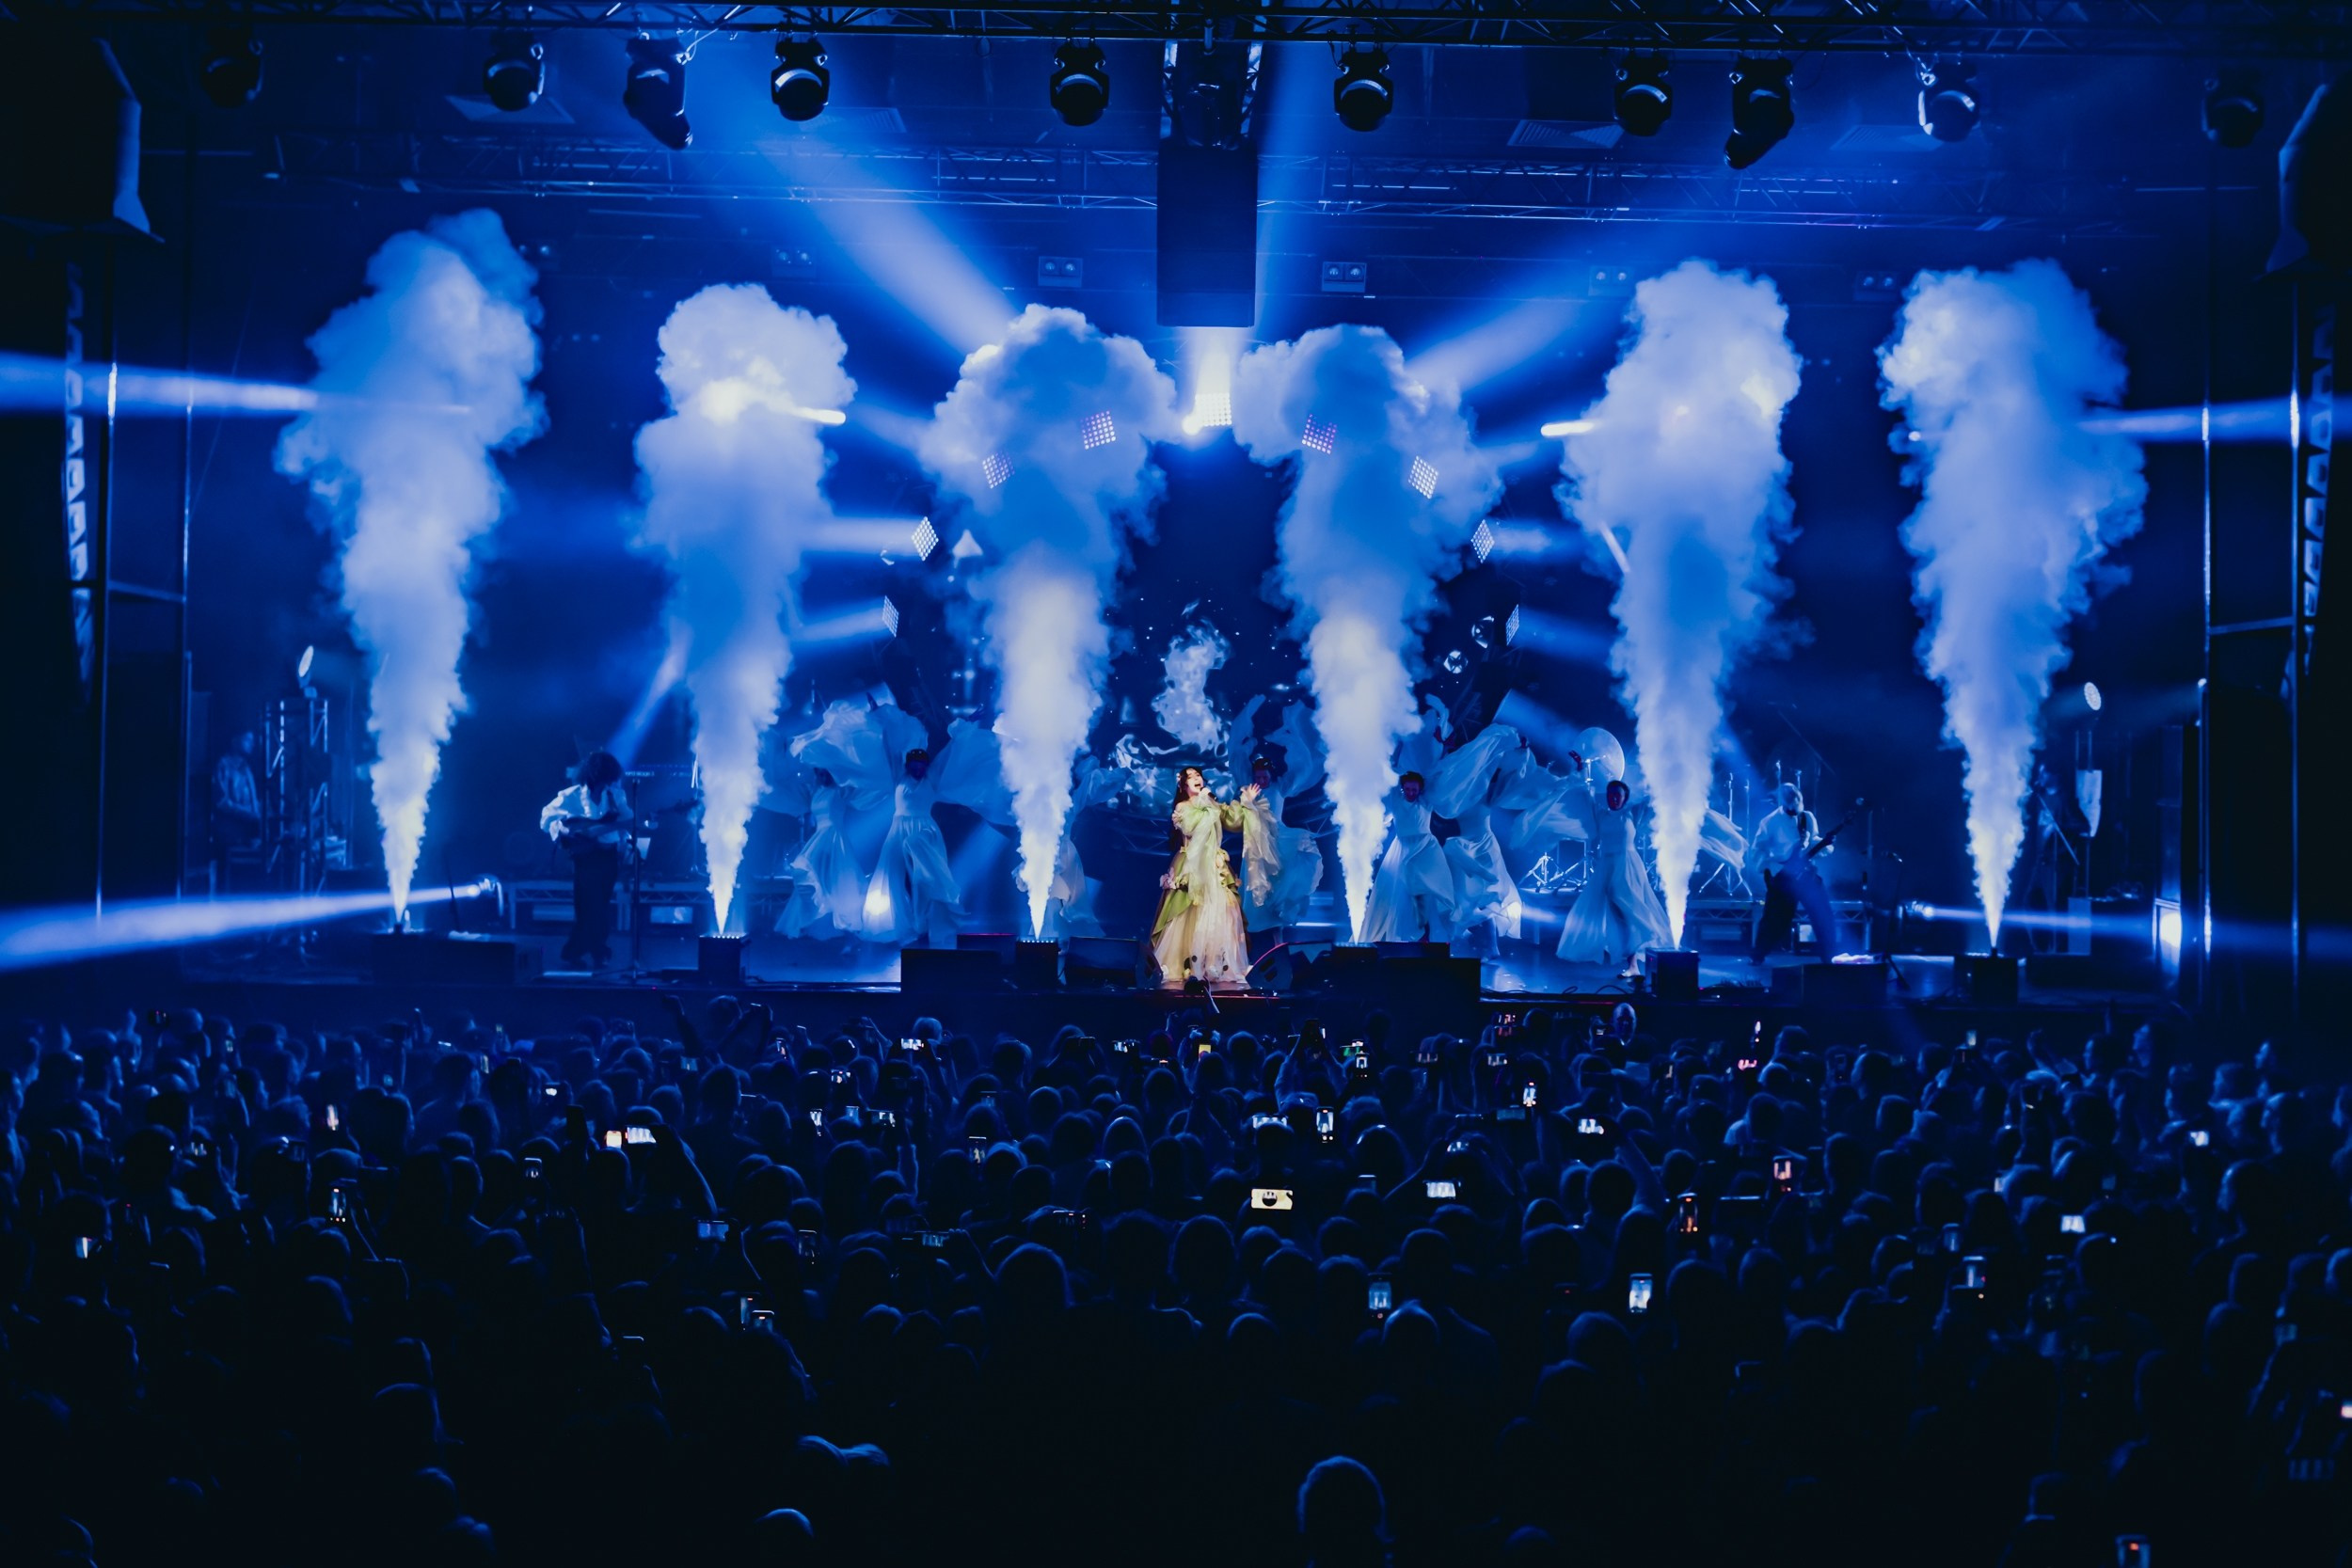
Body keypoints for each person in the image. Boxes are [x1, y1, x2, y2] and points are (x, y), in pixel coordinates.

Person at [1555, 770, 1673, 974]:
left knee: (1626, 905)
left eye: (1618, 795)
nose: (1614, 798)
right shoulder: (1600, 814)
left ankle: (1644, 938)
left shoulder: (1632, 814)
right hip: (1607, 867)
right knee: (1618, 916)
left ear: (1625, 798)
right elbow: (1584, 795)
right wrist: (1581, 768)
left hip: (1628, 866)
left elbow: (1652, 797)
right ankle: (1632, 963)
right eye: (1611, 795)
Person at [1151, 765, 1254, 988]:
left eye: (1199, 775)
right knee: (1188, 915)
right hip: (1191, 866)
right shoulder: (1183, 807)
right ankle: (1188, 966)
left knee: (1225, 912)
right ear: (1183, 785)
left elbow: (1234, 822)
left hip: (1215, 867)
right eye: (1191, 777)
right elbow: (1190, 827)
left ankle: (1216, 964)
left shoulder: (1212, 803)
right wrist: (1206, 805)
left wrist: (1246, 802)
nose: (1197, 779)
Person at [863, 747, 964, 948]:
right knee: (891, 874)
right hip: (898, 828)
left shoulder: (932, 780)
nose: (918, 771)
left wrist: (959, 733)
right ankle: (898, 923)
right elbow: (890, 751)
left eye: (921, 767)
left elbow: (946, 757)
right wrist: (884, 720)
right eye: (914, 767)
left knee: (922, 877)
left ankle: (923, 923)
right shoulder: (898, 777)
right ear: (907, 766)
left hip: (924, 830)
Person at [539, 750, 631, 970]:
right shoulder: (570, 796)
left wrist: (630, 836)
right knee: (588, 906)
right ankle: (594, 952)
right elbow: (545, 819)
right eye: (605, 779)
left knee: (599, 904)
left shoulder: (616, 796)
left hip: (608, 855)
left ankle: (577, 951)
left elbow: (628, 821)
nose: (608, 785)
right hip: (585, 856)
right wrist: (565, 831)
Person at [1747, 781, 1841, 962]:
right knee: (1776, 919)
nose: (1795, 806)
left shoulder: (1807, 817)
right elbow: (1756, 852)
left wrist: (1826, 845)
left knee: (1823, 914)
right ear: (1783, 802)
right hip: (1782, 878)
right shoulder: (1770, 822)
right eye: (1792, 803)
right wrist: (1779, 868)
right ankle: (1758, 954)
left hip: (1806, 873)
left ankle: (1830, 956)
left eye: (1798, 801)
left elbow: (1812, 841)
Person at [1362, 771, 1456, 944]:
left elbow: (1438, 777)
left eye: (1414, 790)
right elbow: (1391, 771)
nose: (1411, 793)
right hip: (1403, 849)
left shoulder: (1426, 801)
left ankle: (1427, 936)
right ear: (1402, 788)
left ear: (1420, 789)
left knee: (1426, 890)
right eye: (1408, 789)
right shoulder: (1395, 800)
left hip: (1426, 850)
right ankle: (1407, 935)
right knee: (1398, 894)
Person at [776, 768, 866, 941]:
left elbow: (858, 784)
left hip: (834, 837)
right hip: (819, 838)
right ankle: (812, 918)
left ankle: (848, 933)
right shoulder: (815, 792)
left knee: (839, 882)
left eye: (826, 774)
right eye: (820, 774)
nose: (823, 777)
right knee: (807, 873)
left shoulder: (840, 790)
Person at [212, 730, 263, 872]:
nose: (252, 744)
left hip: (247, 835)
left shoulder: (246, 767)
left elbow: (251, 800)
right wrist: (250, 814)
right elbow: (221, 802)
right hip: (231, 836)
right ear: (234, 741)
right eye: (247, 739)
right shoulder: (223, 765)